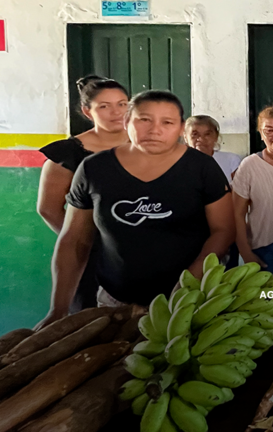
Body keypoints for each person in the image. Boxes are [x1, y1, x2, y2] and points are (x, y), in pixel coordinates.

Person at [36, 90, 235, 328]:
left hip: (192, 300)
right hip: (115, 302)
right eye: (144, 120)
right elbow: (74, 240)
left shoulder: (202, 168)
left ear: (181, 128)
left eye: (167, 122)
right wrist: (58, 309)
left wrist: (188, 283)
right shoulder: (94, 169)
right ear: (127, 121)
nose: (155, 130)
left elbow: (223, 230)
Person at [37, 75, 130, 312]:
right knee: (93, 326)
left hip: (145, 257)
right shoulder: (68, 154)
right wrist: (87, 243)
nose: (116, 112)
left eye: (122, 104)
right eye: (104, 106)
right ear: (87, 112)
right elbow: (48, 209)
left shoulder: (149, 145)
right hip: (93, 262)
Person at [232, 107, 273, 278]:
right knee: (271, 303)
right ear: (260, 134)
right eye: (269, 130)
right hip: (263, 250)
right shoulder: (249, 166)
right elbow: (237, 214)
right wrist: (246, 254)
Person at [184, 115, 242, 180]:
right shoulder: (177, 163)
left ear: (216, 137)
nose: (201, 139)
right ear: (185, 137)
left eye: (207, 134)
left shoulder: (232, 160)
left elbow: (238, 188)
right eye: (195, 134)